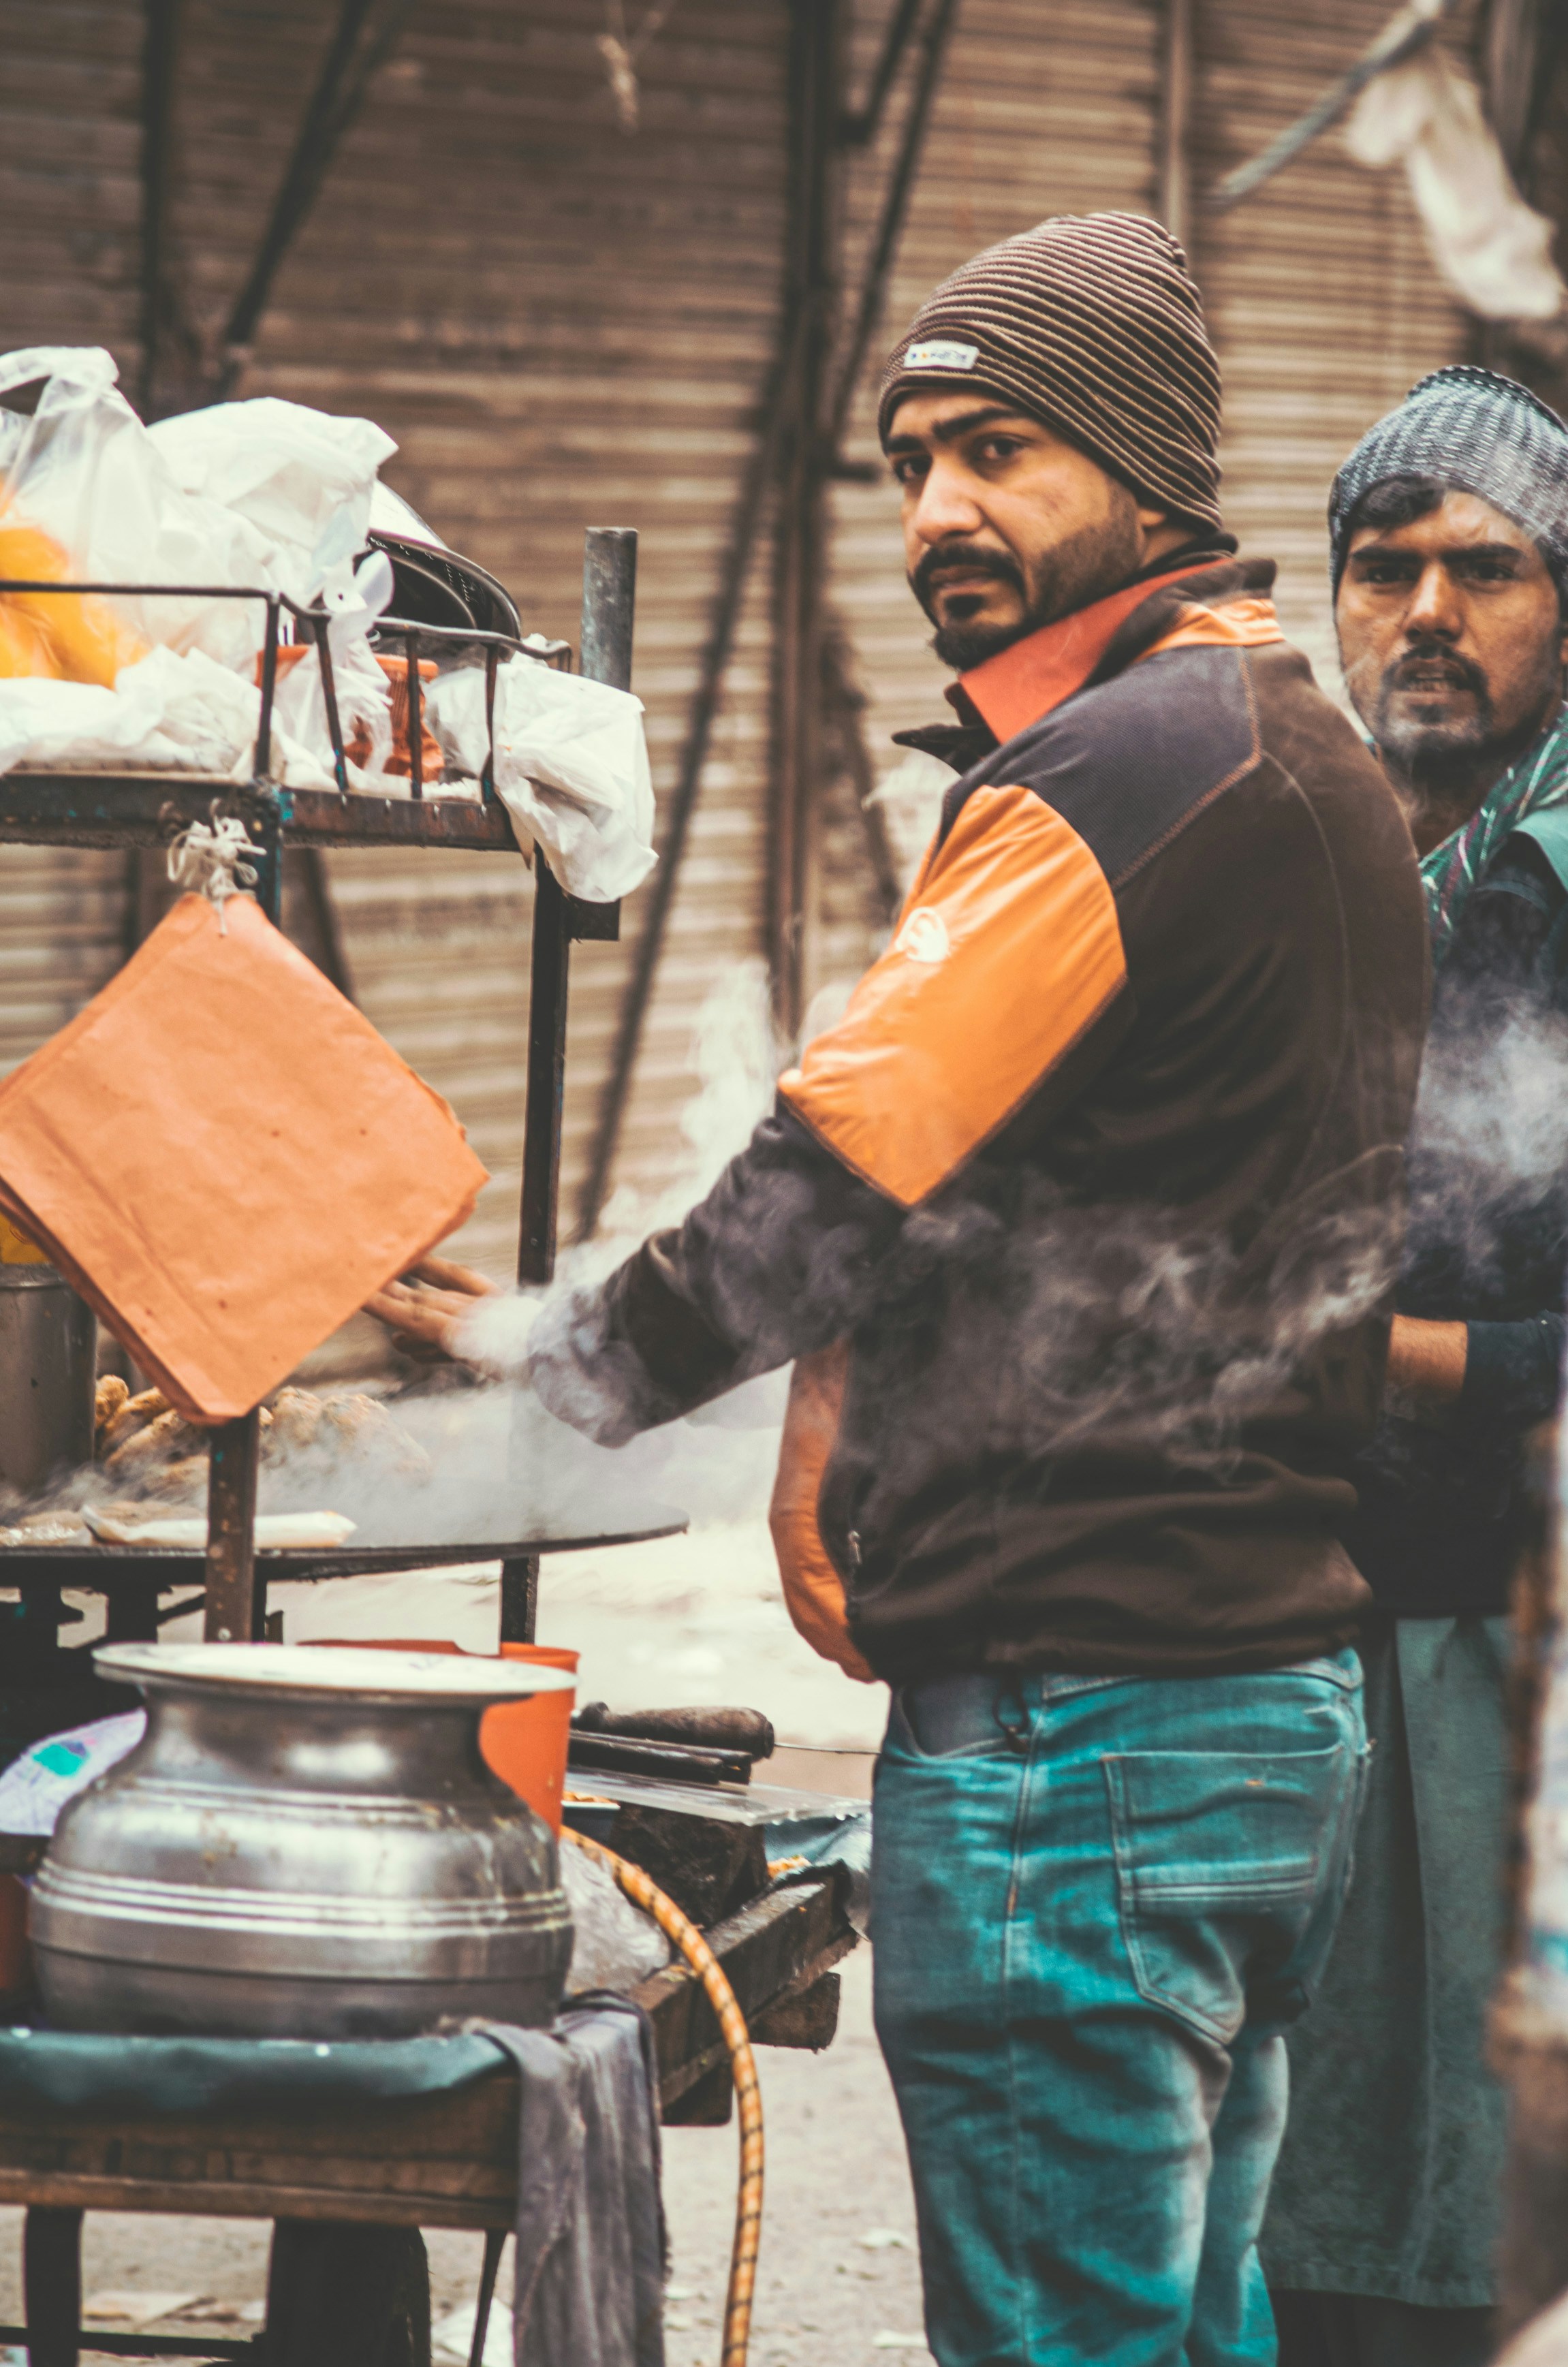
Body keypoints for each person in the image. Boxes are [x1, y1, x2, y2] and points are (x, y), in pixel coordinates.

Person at [371, 213, 1428, 2367]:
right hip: (1259, 1712)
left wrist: (537, 1363)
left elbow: (829, 1176)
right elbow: (1026, 1184)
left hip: (1081, 1732)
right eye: (912, 461)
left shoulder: (1113, 775)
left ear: (1147, 465)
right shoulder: (1297, 756)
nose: (938, 507)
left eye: (1001, 450)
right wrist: (824, 1427)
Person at [1262, 366, 1568, 2367]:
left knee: (1478, 2223)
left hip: (1517, 1645)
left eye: (1491, 569)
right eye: (1387, 569)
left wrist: (1392, 1358)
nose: (1430, 612)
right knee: (1307, 2202)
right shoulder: (1307, 854)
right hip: (1305, 1611)